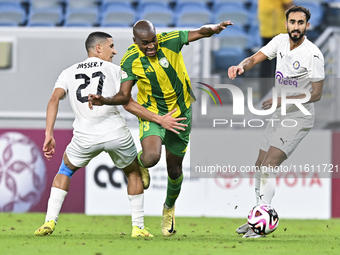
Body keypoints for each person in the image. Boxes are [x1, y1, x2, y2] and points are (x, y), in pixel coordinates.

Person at [88, 19, 232, 237]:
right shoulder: (129, 60)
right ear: (135, 41)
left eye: (153, 40)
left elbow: (199, 33)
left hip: (180, 115)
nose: (151, 46)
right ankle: (141, 162)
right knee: (151, 157)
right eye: (145, 43)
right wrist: (105, 100)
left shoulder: (170, 41)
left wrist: (213, 29)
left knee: (174, 169)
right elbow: (125, 99)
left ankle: (169, 208)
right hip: (152, 115)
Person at [34, 31, 156, 238]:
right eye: (112, 46)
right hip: (116, 133)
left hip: (85, 136)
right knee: (134, 172)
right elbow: (127, 102)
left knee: (65, 169)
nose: (115, 51)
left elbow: (53, 100)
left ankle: (49, 222)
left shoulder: (68, 72)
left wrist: (49, 134)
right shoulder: (116, 70)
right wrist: (157, 118)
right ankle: (138, 227)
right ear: (98, 48)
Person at [228, 6, 324, 238]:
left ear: (307, 26)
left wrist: (283, 99)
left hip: (299, 117)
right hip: (279, 115)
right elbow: (255, 58)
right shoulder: (280, 41)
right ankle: (256, 218)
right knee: (260, 165)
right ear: (286, 24)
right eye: (292, 22)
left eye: (301, 23)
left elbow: (317, 94)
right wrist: (241, 65)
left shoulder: (313, 55)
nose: (296, 27)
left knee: (269, 166)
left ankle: (263, 224)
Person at [258, 0, 294, 98]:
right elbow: (287, 4)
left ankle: (265, 94)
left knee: (266, 64)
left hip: (267, 28)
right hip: (277, 29)